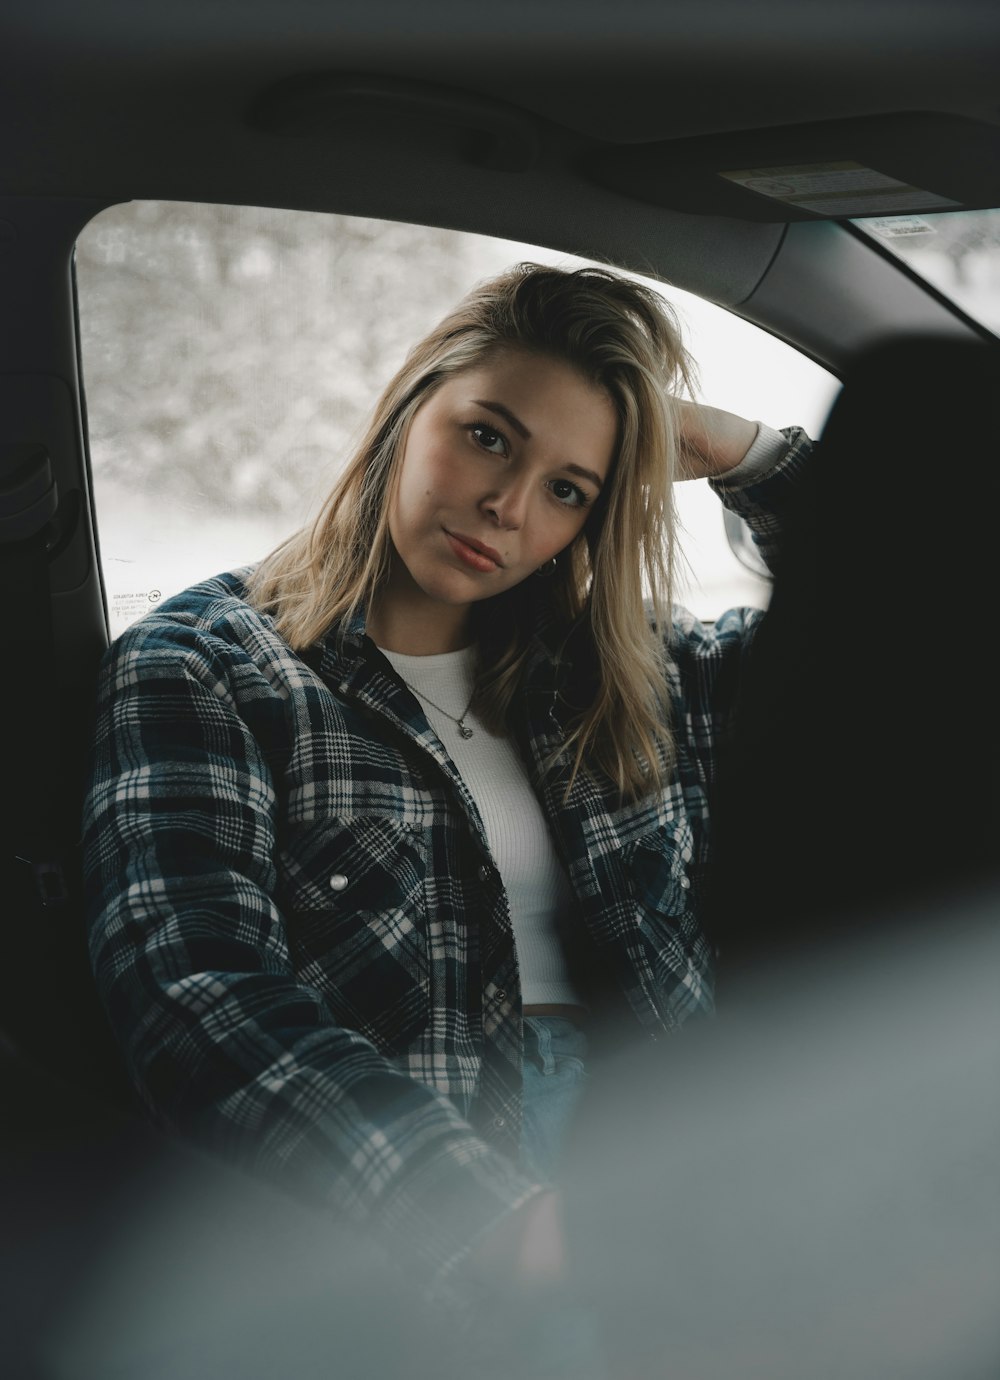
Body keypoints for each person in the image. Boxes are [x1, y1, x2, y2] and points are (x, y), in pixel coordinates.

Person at [82, 263, 812, 1301]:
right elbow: (197, 992)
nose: (507, 507)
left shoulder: (632, 672)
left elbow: (920, 603)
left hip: (686, 1157)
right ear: (408, 404)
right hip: (412, 1211)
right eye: (487, 436)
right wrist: (491, 1220)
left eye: (570, 489)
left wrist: (734, 448)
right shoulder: (207, 667)